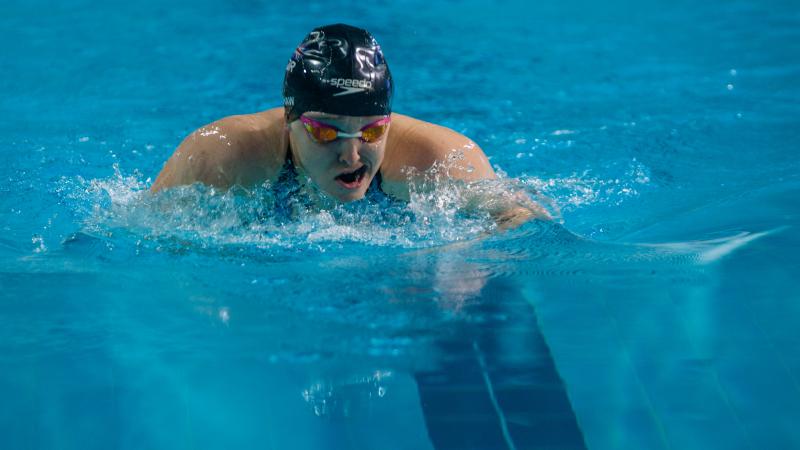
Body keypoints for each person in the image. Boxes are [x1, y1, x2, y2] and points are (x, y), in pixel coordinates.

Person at [151, 24, 547, 226]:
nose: (352, 154)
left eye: (372, 131)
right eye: (325, 132)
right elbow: (144, 236)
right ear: (290, 120)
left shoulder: (438, 160)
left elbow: (522, 222)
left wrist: (461, 265)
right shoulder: (223, 156)